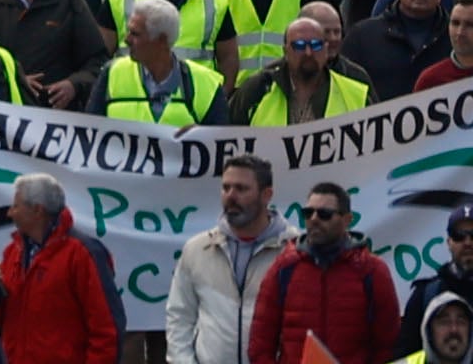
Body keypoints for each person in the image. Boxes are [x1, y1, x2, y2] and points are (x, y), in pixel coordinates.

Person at [243, 182, 397, 364]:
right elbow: (260, 344)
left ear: (347, 220)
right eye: (308, 213)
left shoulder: (371, 270)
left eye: (324, 214)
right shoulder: (283, 268)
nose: (314, 219)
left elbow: (388, 344)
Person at [0, 175, 119, 364]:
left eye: (16, 206)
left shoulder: (83, 254)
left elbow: (106, 330)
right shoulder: (13, 252)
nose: (10, 213)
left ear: (37, 211)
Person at [166, 155, 285, 364]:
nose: (231, 196)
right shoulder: (198, 249)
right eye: (226, 187)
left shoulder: (292, 252)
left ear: (267, 195)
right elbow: (179, 317)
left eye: (241, 189)